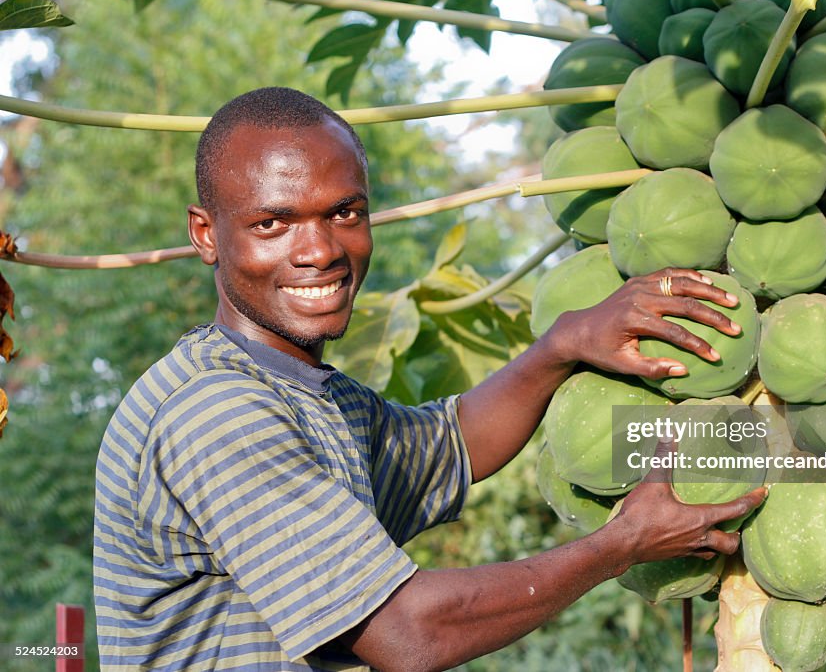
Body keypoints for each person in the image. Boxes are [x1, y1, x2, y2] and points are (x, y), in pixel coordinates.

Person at [93, 87, 766, 671]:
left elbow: (453, 443)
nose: (321, 249)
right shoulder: (216, 411)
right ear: (205, 234)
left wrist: (563, 344)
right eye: (274, 223)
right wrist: (621, 544)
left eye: (345, 212)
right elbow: (407, 632)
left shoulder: (314, 397)